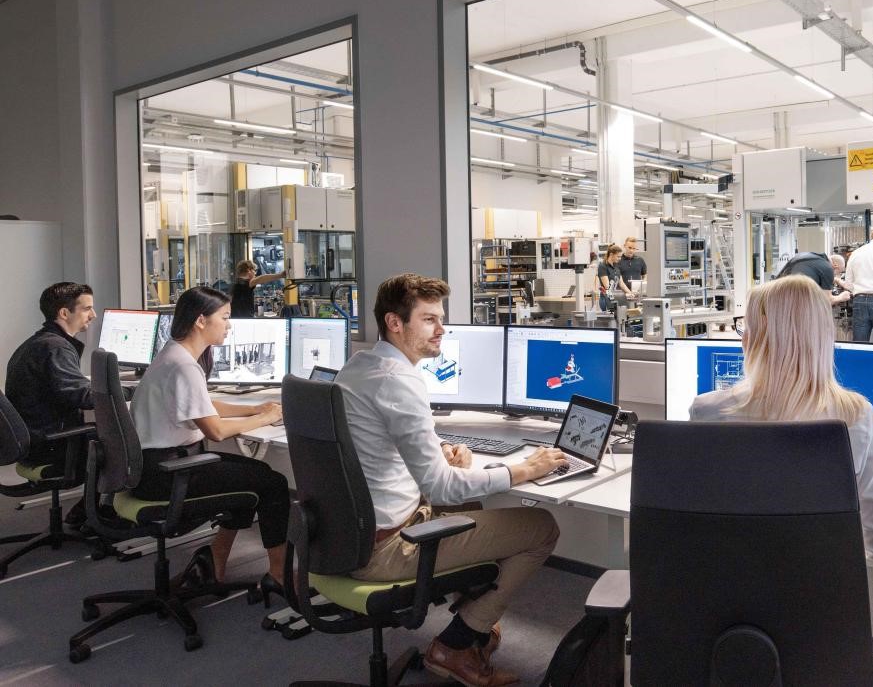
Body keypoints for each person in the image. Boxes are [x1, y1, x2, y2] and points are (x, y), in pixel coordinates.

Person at [334, 274, 566, 687]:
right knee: (542, 527)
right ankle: (455, 644)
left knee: (467, 504)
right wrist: (524, 470)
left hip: (345, 536)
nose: (442, 329)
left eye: (441, 319)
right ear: (395, 322)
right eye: (429, 320)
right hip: (384, 549)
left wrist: (439, 446)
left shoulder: (360, 366)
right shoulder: (399, 380)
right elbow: (441, 487)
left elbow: (380, 437)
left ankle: (474, 628)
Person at [688, 276, 873, 561]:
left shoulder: (707, 411)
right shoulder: (856, 417)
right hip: (820, 585)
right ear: (823, 338)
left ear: (751, 339)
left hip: (724, 579)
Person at [129, 286, 290, 591]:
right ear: (201, 321)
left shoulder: (173, 354)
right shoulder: (184, 366)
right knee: (273, 483)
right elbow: (215, 431)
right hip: (168, 474)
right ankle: (279, 576)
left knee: (253, 474)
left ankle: (216, 560)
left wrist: (253, 408)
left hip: (156, 467)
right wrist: (265, 418)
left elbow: (203, 404)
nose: (229, 326)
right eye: (225, 318)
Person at [5, 282, 98, 525]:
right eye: (87, 308)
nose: (93, 315)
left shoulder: (37, 343)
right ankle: (95, 514)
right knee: (118, 444)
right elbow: (81, 396)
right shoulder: (55, 348)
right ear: (64, 313)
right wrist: (127, 393)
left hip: (32, 442)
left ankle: (89, 510)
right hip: (50, 446)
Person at [777, 251, 851, 307]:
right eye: (838, 273)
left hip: (777, 295)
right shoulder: (828, 268)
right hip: (790, 302)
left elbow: (811, 275)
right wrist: (841, 297)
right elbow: (827, 301)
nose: (835, 275)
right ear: (835, 266)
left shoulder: (814, 258)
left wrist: (837, 280)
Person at [596, 244, 629, 310]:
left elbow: (621, 283)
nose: (620, 259)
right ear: (611, 254)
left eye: (620, 257)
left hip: (615, 297)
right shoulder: (603, 266)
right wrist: (622, 295)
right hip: (606, 299)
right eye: (618, 256)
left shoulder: (616, 266)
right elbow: (607, 287)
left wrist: (629, 293)